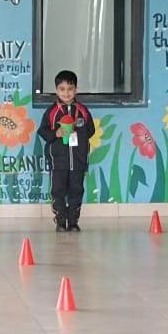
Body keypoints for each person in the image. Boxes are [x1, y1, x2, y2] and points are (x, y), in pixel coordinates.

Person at [37, 70, 95, 232]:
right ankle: (61, 221)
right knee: (58, 190)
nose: (66, 93)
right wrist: (55, 133)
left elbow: (91, 130)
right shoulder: (52, 111)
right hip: (58, 161)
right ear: (56, 90)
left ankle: (73, 221)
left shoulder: (83, 110)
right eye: (62, 89)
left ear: (76, 90)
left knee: (77, 190)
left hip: (78, 160)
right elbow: (43, 131)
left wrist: (78, 134)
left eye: (70, 89)